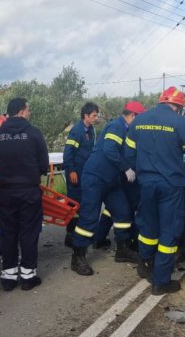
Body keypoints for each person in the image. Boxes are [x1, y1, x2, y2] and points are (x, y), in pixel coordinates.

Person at [126, 87, 185, 295]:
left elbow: (129, 152)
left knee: (148, 227)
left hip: (146, 183)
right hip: (171, 185)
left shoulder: (140, 120)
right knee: (168, 231)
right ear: (178, 106)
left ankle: (144, 265)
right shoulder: (179, 122)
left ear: (160, 101)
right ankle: (160, 282)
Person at [70, 101, 146, 276]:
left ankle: (123, 249)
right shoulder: (116, 126)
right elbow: (110, 150)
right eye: (140, 118)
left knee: (123, 212)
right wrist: (126, 168)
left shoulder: (128, 129)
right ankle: (78, 256)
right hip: (95, 178)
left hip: (111, 181)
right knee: (89, 217)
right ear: (133, 116)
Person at [0, 98, 49, 291]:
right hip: (29, 192)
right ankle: (28, 277)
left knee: (8, 233)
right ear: (21, 111)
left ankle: (8, 277)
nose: (30, 113)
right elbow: (44, 165)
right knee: (29, 233)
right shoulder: (34, 133)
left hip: (5, 192)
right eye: (28, 110)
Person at [62, 102, 100, 247]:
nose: (96, 118)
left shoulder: (90, 130)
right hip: (75, 173)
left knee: (84, 204)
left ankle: (82, 233)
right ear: (86, 116)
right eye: (94, 116)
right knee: (74, 205)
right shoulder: (77, 131)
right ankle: (70, 235)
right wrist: (71, 170)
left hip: (85, 173)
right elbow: (68, 151)